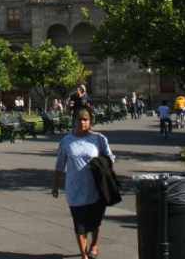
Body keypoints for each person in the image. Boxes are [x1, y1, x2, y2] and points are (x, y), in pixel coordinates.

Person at [51, 108, 116, 259]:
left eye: (85, 119)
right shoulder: (67, 141)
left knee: (95, 219)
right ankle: (84, 255)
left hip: (96, 187)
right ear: (74, 121)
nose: (82, 122)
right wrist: (54, 185)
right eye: (79, 119)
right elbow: (60, 164)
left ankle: (94, 244)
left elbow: (110, 157)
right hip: (75, 187)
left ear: (90, 121)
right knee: (79, 223)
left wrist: (101, 162)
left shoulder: (99, 138)